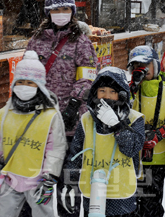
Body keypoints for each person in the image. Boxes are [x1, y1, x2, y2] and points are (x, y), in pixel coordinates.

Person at [26, 0, 98, 217]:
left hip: (71, 123)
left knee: (68, 183)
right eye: (56, 8)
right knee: (39, 179)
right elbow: (26, 75)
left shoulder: (81, 42)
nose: (60, 12)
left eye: (65, 8)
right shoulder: (36, 41)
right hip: (40, 122)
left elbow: (88, 77)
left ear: (72, 11)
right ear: (48, 11)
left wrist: (74, 106)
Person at [61, 67, 145, 217]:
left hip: (121, 195)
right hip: (92, 194)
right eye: (102, 91)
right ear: (95, 92)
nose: (106, 96)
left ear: (121, 95)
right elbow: (76, 154)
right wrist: (70, 183)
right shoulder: (87, 119)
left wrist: (116, 125)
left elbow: (131, 148)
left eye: (112, 92)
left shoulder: (134, 119)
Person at [0, 51, 67, 217]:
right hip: (10, 179)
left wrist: (49, 176)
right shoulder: (4, 113)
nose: (24, 86)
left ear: (39, 86)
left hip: (39, 181)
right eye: (20, 81)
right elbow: (2, 141)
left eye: (30, 82)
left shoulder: (50, 115)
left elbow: (56, 148)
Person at [127, 46, 165, 217]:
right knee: (131, 202)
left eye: (146, 65)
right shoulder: (129, 91)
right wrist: (131, 90)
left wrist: (162, 132)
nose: (142, 70)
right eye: (136, 65)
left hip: (157, 157)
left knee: (151, 202)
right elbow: (119, 114)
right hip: (131, 157)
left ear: (156, 65)